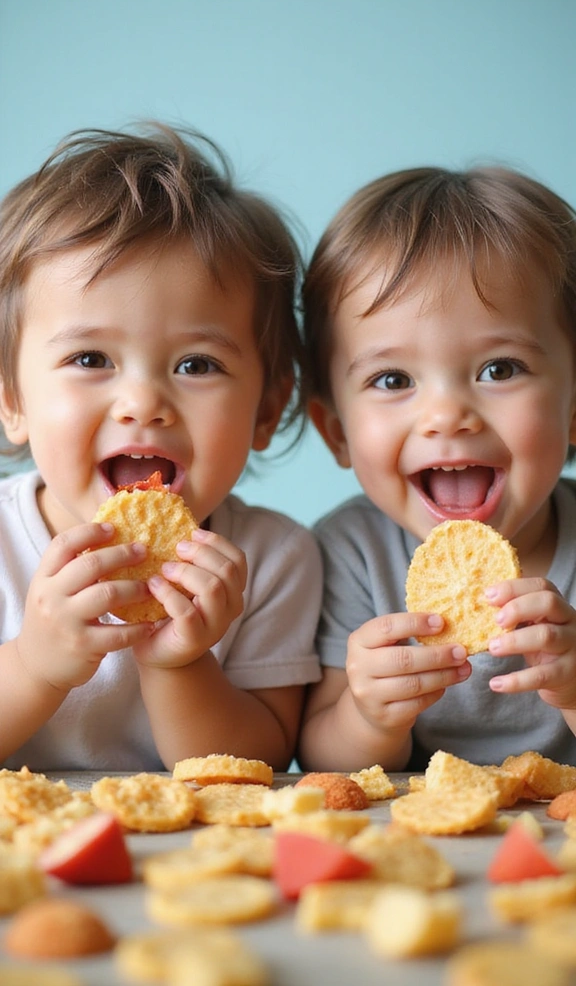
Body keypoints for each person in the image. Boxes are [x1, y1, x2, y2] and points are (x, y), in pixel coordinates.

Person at [0, 123, 322, 772]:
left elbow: (259, 768)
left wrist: (182, 664)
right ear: (12, 399)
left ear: (268, 409)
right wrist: (35, 664)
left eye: (197, 365)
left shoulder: (274, 560)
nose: (143, 402)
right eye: (91, 358)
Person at [297, 164, 576, 772]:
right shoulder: (350, 553)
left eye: (500, 369)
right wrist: (369, 719)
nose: (447, 416)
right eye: (393, 379)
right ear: (336, 430)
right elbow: (317, 756)